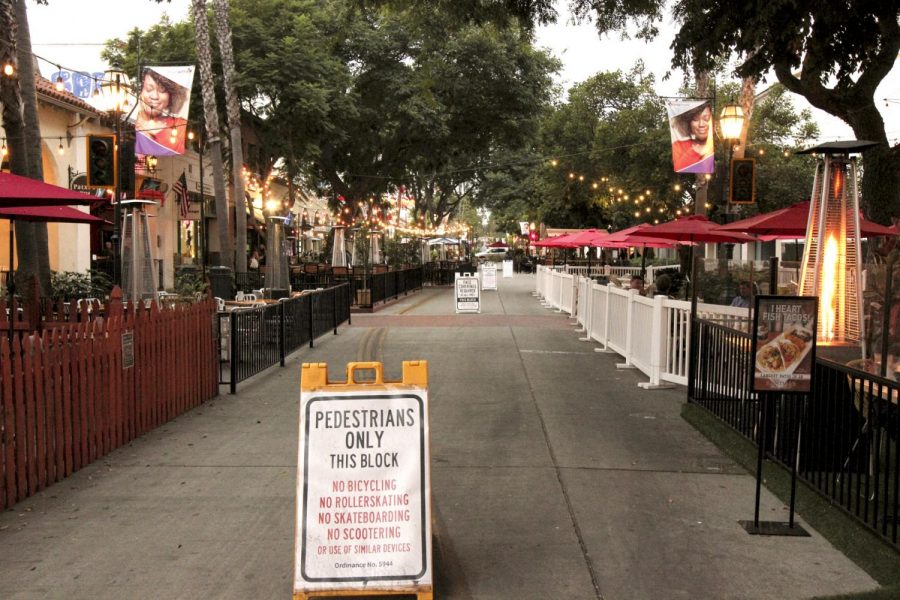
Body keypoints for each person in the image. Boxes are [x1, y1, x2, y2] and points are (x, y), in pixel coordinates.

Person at [135, 68, 189, 155]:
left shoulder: (179, 124)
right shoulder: (130, 124)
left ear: (171, 96)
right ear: (141, 91)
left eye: (162, 91)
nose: (155, 96)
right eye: (149, 89)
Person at [670, 102, 714, 173]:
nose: (701, 124)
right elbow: (679, 168)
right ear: (688, 123)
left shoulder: (720, 146)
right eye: (696, 119)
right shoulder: (678, 145)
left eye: (706, 118)